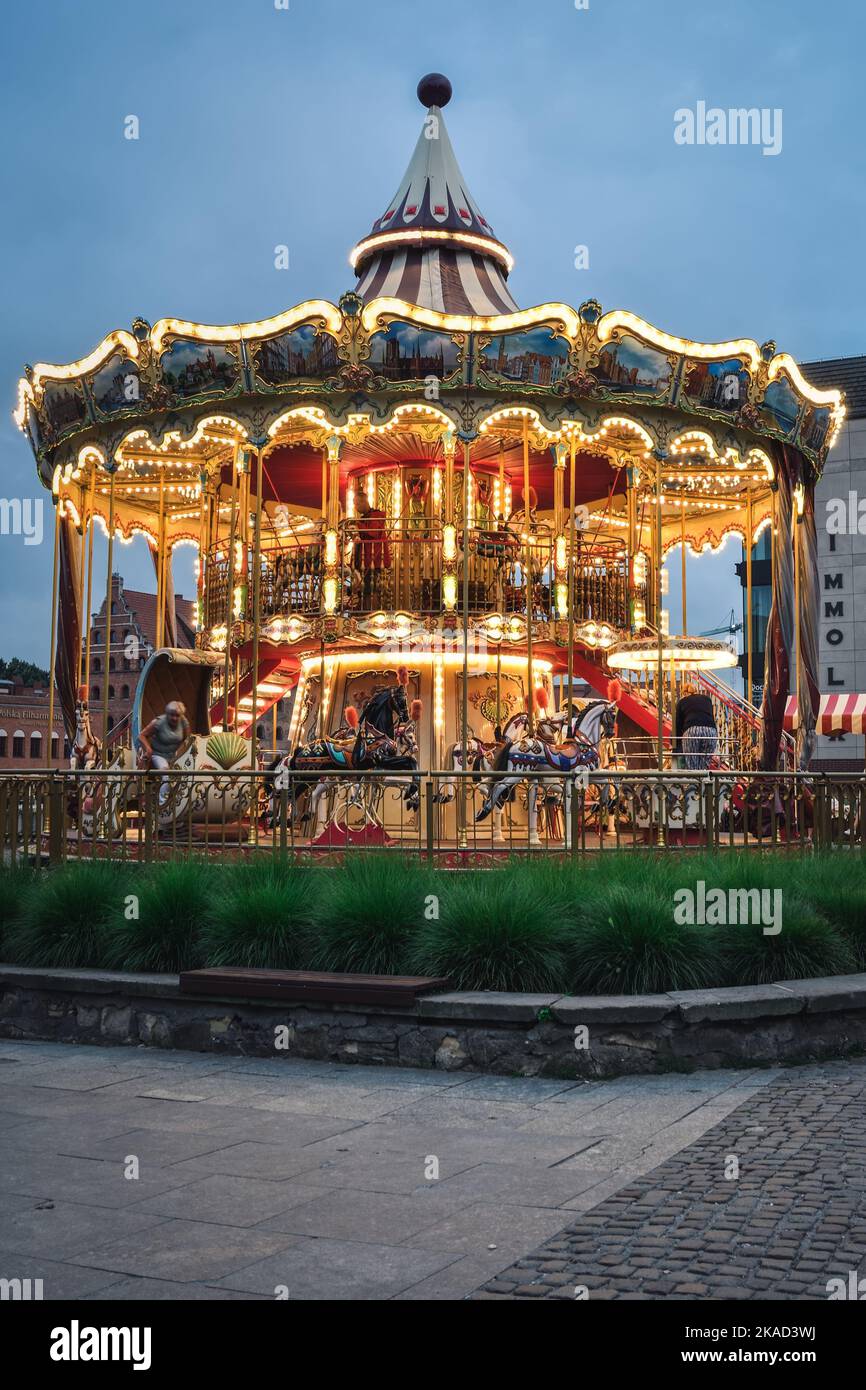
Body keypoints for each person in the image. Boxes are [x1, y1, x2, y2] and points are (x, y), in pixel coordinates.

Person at [138, 701, 190, 803]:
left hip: (175, 755)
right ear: (167, 714)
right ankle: (163, 802)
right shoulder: (159, 722)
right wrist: (148, 749)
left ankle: (180, 801)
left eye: (177, 716)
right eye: (172, 715)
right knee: (165, 772)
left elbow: (188, 738)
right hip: (158, 754)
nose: (175, 718)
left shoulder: (183, 721)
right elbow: (142, 735)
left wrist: (182, 750)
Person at [675, 683, 719, 770]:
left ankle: (693, 782)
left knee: (691, 764)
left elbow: (678, 724)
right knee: (704, 765)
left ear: (684, 693)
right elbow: (711, 717)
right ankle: (702, 782)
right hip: (710, 731)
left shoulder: (682, 702)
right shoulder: (707, 699)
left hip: (692, 730)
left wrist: (676, 744)